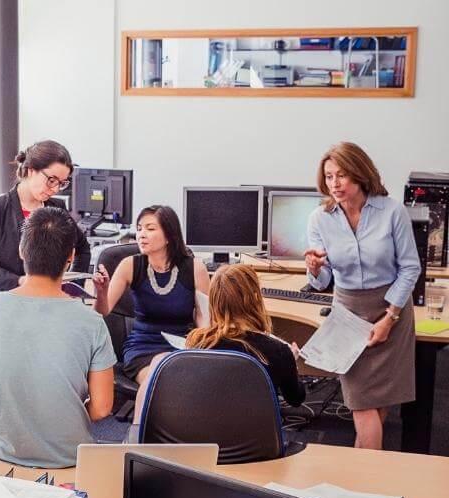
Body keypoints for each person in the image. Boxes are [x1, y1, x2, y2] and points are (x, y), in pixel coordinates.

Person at [0, 206, 115, 467]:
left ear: (22, 250)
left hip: (1, 456)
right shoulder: (92, 322)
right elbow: (102, 408)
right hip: (70, 460)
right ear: (71, 256)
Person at [305, 141, 419, 450]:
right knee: (362, 405)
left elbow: (410, 267)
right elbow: (322, 282)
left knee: (377, 408)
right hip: (348, 312)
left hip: (391, 309)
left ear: (360, 173)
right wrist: (314, 268)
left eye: (342, 175)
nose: (335, 184)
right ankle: (367, 484)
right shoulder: (320, 218)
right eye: (329, 176)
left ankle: (362, 478)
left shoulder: (391, 210)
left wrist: (389, 318)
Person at [93, 204, 210, 411]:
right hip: (142, 349)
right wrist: (101, 292)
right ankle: (140, 434)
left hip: (183, 347)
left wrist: (201, 346)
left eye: (150, 228)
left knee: (181, 381)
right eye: (139, 228)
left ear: (169, 236)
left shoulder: (195, 269)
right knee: (160, 377)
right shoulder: (130, 265)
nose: (141, 234)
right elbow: (103, 312)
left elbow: (205, 320)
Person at [0, 140, 91, 291]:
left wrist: (74, 288)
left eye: (62, 183)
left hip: (50, 302)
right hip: (9, 300)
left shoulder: (57, 208)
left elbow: (83, 248)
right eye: (51, 180)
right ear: (31, 170)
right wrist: (19, 281)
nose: (55, 189)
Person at [186, 264, 306, 407]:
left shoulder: (197, 342)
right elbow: (296, 399)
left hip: (206, 427)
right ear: (255, 298)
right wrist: (291, 363)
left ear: (213, 302)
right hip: (257, 429)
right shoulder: (278, 351)